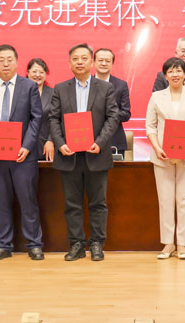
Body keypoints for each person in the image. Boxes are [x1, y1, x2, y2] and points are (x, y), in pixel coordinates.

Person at [49, 43, 120, 261]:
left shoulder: (105, 88)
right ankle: (77, 244)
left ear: (91, 62)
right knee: (72, 204)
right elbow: (53, 119)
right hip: (68, 155)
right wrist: (60, 143)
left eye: (84, 58)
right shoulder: (60, 88)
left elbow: (113, 117)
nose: (79, 62)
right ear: (69, 63)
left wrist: (100, 142)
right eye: (75, 59)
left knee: (98, 203)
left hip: (96, 154)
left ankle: (97, 244)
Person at [0, 44, 44, 261]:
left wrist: (27, 146)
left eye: (9, 60)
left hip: (23, 157)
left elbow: (36, 118)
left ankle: (34, 244)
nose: (5, 64)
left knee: (28, 201)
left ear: (16, 62)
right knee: (0, 203)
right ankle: (4, 245)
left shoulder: (29, 86)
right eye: (1, 60)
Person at [146, 57, 185, 260]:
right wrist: (157, 147)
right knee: (165, 200)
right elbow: (150, 126)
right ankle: (168, 243)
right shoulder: (156, 97)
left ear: (184, 74)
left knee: (184, 200)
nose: (175, 74)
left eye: (178, 71)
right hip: (161, 156)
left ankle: (182, 244)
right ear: (165, 75)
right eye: (171, 71)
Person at [93, 48, 131, 157]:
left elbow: (126, 114)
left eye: (108, 61)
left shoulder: (121, 85)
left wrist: (106, 114)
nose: (104, 63)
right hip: (90, 141)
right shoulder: (85, 84)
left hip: (114, 142)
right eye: (100, 60)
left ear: (112, 63)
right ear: (94, 62)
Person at [26, 58, 55, 161]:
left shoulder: (53, 93)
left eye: (41, 72)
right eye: (34, 71)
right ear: (28, 73)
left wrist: (51, 140)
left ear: (45, 74)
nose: (37, 75)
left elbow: (56, 119)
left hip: (46, 146)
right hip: (23, 147)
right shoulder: (20, 92)